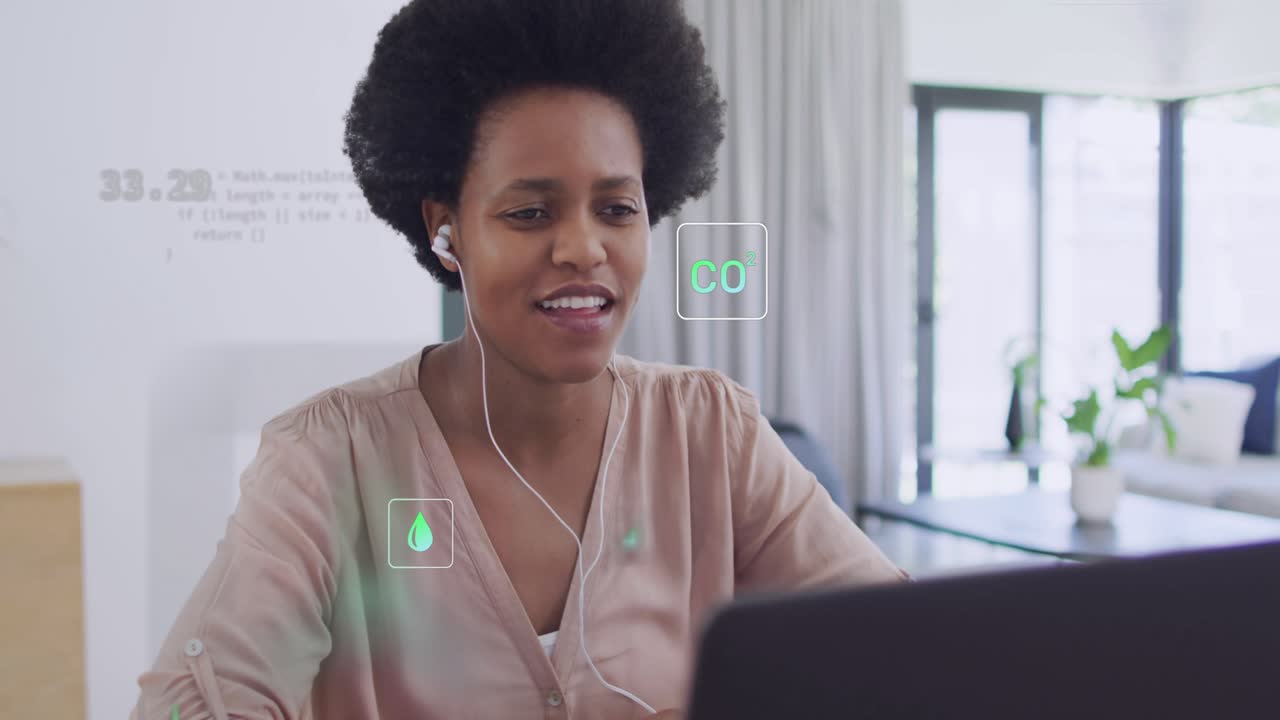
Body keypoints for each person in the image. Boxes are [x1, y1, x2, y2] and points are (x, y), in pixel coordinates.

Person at [131, 0, 905, 717]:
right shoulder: (330, 460)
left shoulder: (712, 433)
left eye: (617, 209)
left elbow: (905, 648)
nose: (582, 248)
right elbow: (186, 703)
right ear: (447, 231)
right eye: (529, 212)